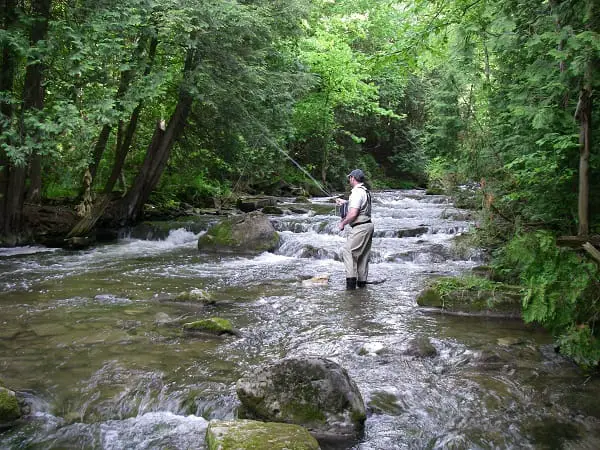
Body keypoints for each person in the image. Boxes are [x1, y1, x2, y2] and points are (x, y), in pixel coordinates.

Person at [336, 169, 374, 289]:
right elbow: (359, 205)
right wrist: (345, 202)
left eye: (350, 178)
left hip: (360, 227)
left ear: (353, 178)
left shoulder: (357, 192)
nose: (349, 180)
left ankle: (351, 287)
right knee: (363, 256)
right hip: (368, 226)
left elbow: (353, 214)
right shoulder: (365, 191)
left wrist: (343, 223)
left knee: (348, 251)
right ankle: (362, 285)